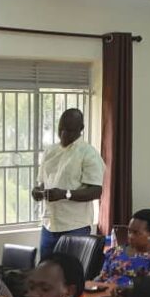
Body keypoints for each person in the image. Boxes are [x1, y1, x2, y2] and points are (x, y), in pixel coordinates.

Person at [32, 108, 105, 261]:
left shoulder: (88, 153)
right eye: (61, 129)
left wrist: (65, 194)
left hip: (75, 226)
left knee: (70, 271)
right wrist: (38, 191)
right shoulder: (50, 151)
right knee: (45, 269)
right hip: (49, 224)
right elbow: (43, 183)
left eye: (69, 130)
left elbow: (96, 191)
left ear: (81, 128)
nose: (64, 134)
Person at [97, 209, 150, 288]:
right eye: (129, 231)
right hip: (103, 293)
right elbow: (101, 278)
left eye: (136, 233)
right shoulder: (115, 252)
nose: (130, 236)